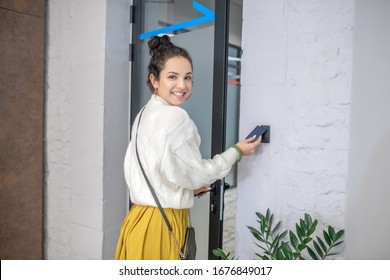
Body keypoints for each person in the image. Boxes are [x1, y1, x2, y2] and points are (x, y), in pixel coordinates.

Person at [115, 35, 262, 260]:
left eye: (188, 77)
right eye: (172, 77)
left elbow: (151, 171)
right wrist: (237, 151)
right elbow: (199, 174)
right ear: (154, 80)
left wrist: (183, 190)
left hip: (137, 221)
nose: (182, 85)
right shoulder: (176, 118)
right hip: (162, 225)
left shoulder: (145, 113)